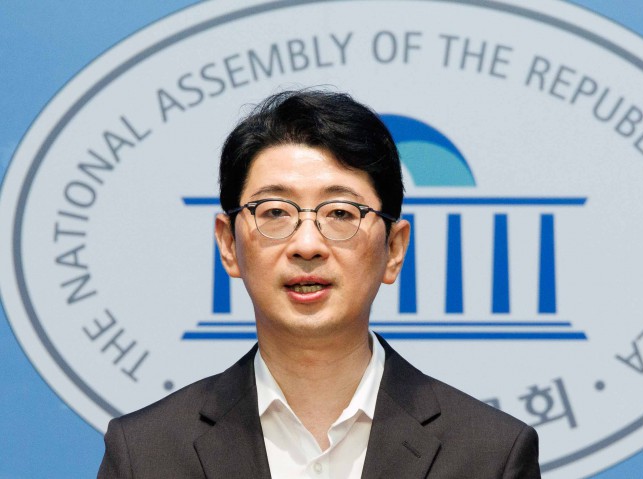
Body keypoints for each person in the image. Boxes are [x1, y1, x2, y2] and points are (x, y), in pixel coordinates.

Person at [97, 89, 541, 478]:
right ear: (228, 245)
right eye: (275, 212)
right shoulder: (146, 453)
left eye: (341, 213)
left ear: (394, 249)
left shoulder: (489, 455)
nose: (307, 245)